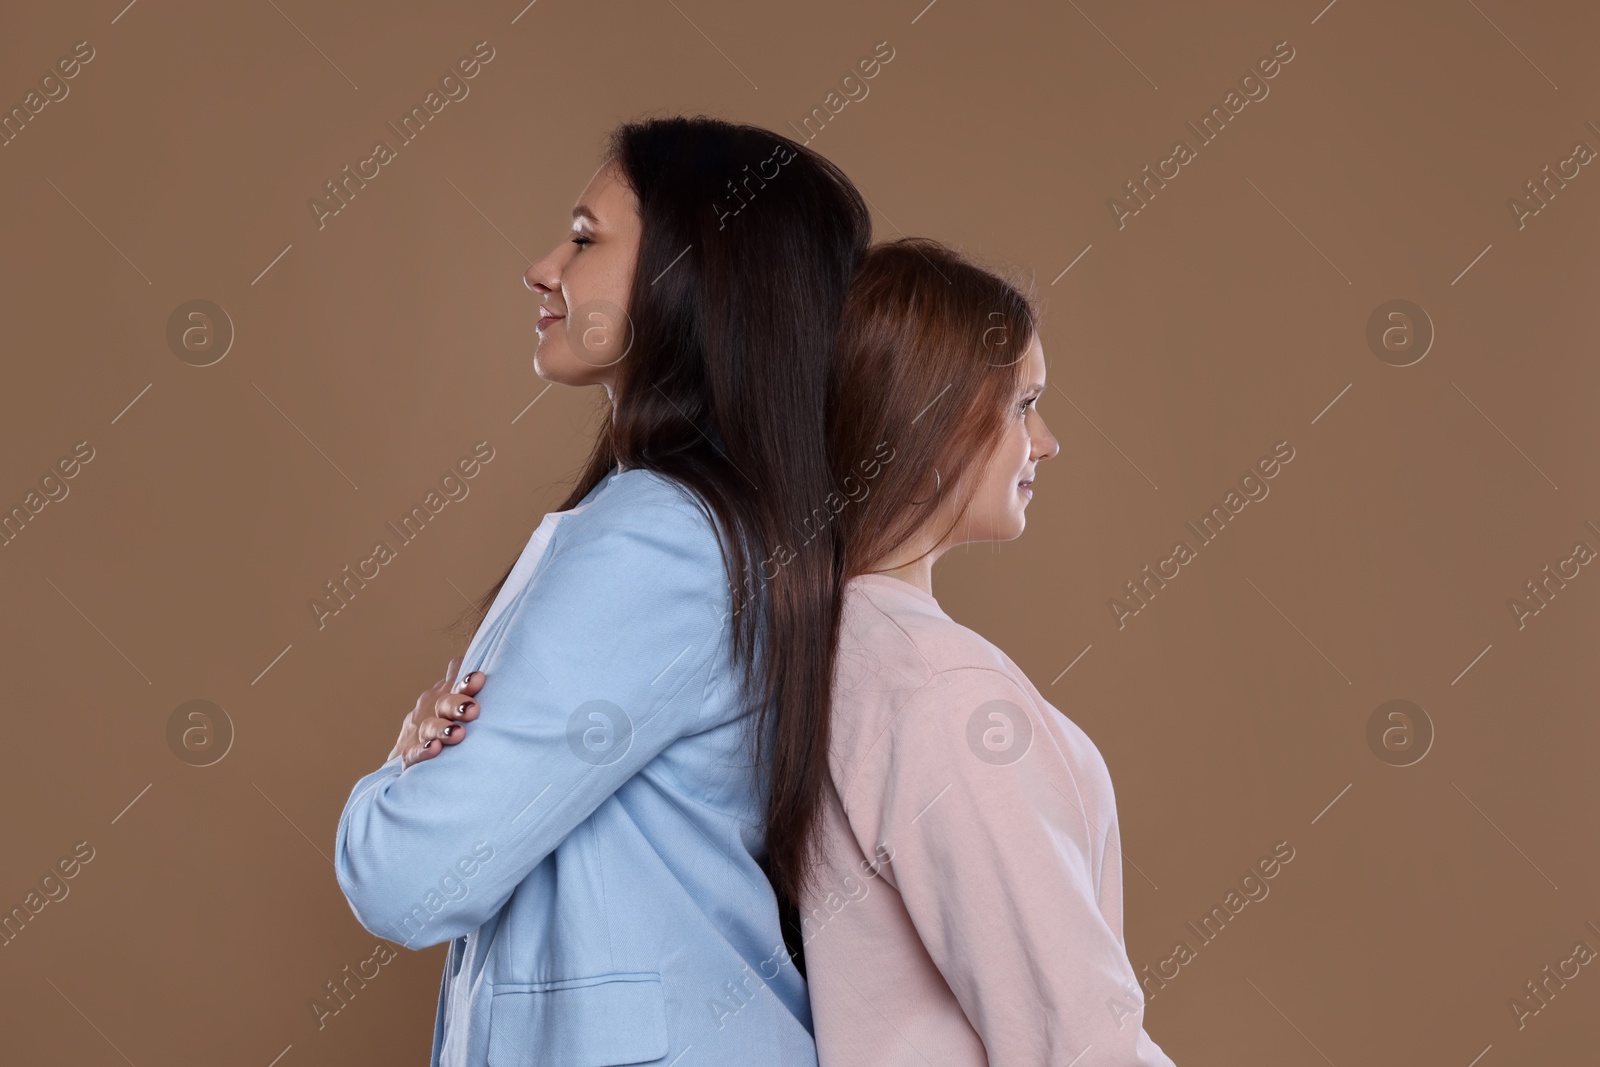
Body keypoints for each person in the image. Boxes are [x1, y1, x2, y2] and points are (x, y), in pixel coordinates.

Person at [333, 115, 870, 1067]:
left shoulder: (658, 542)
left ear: (694, 276)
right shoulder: (731, 530)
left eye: (585, 239)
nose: (543, 268)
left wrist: (398, 775)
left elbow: (407, 877)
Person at [798, 238, 1179, 1065]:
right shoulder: (940, 688)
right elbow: (1073, 1034)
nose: (1046, 441)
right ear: (928, 418)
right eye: (1022, 404)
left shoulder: (828, 654)